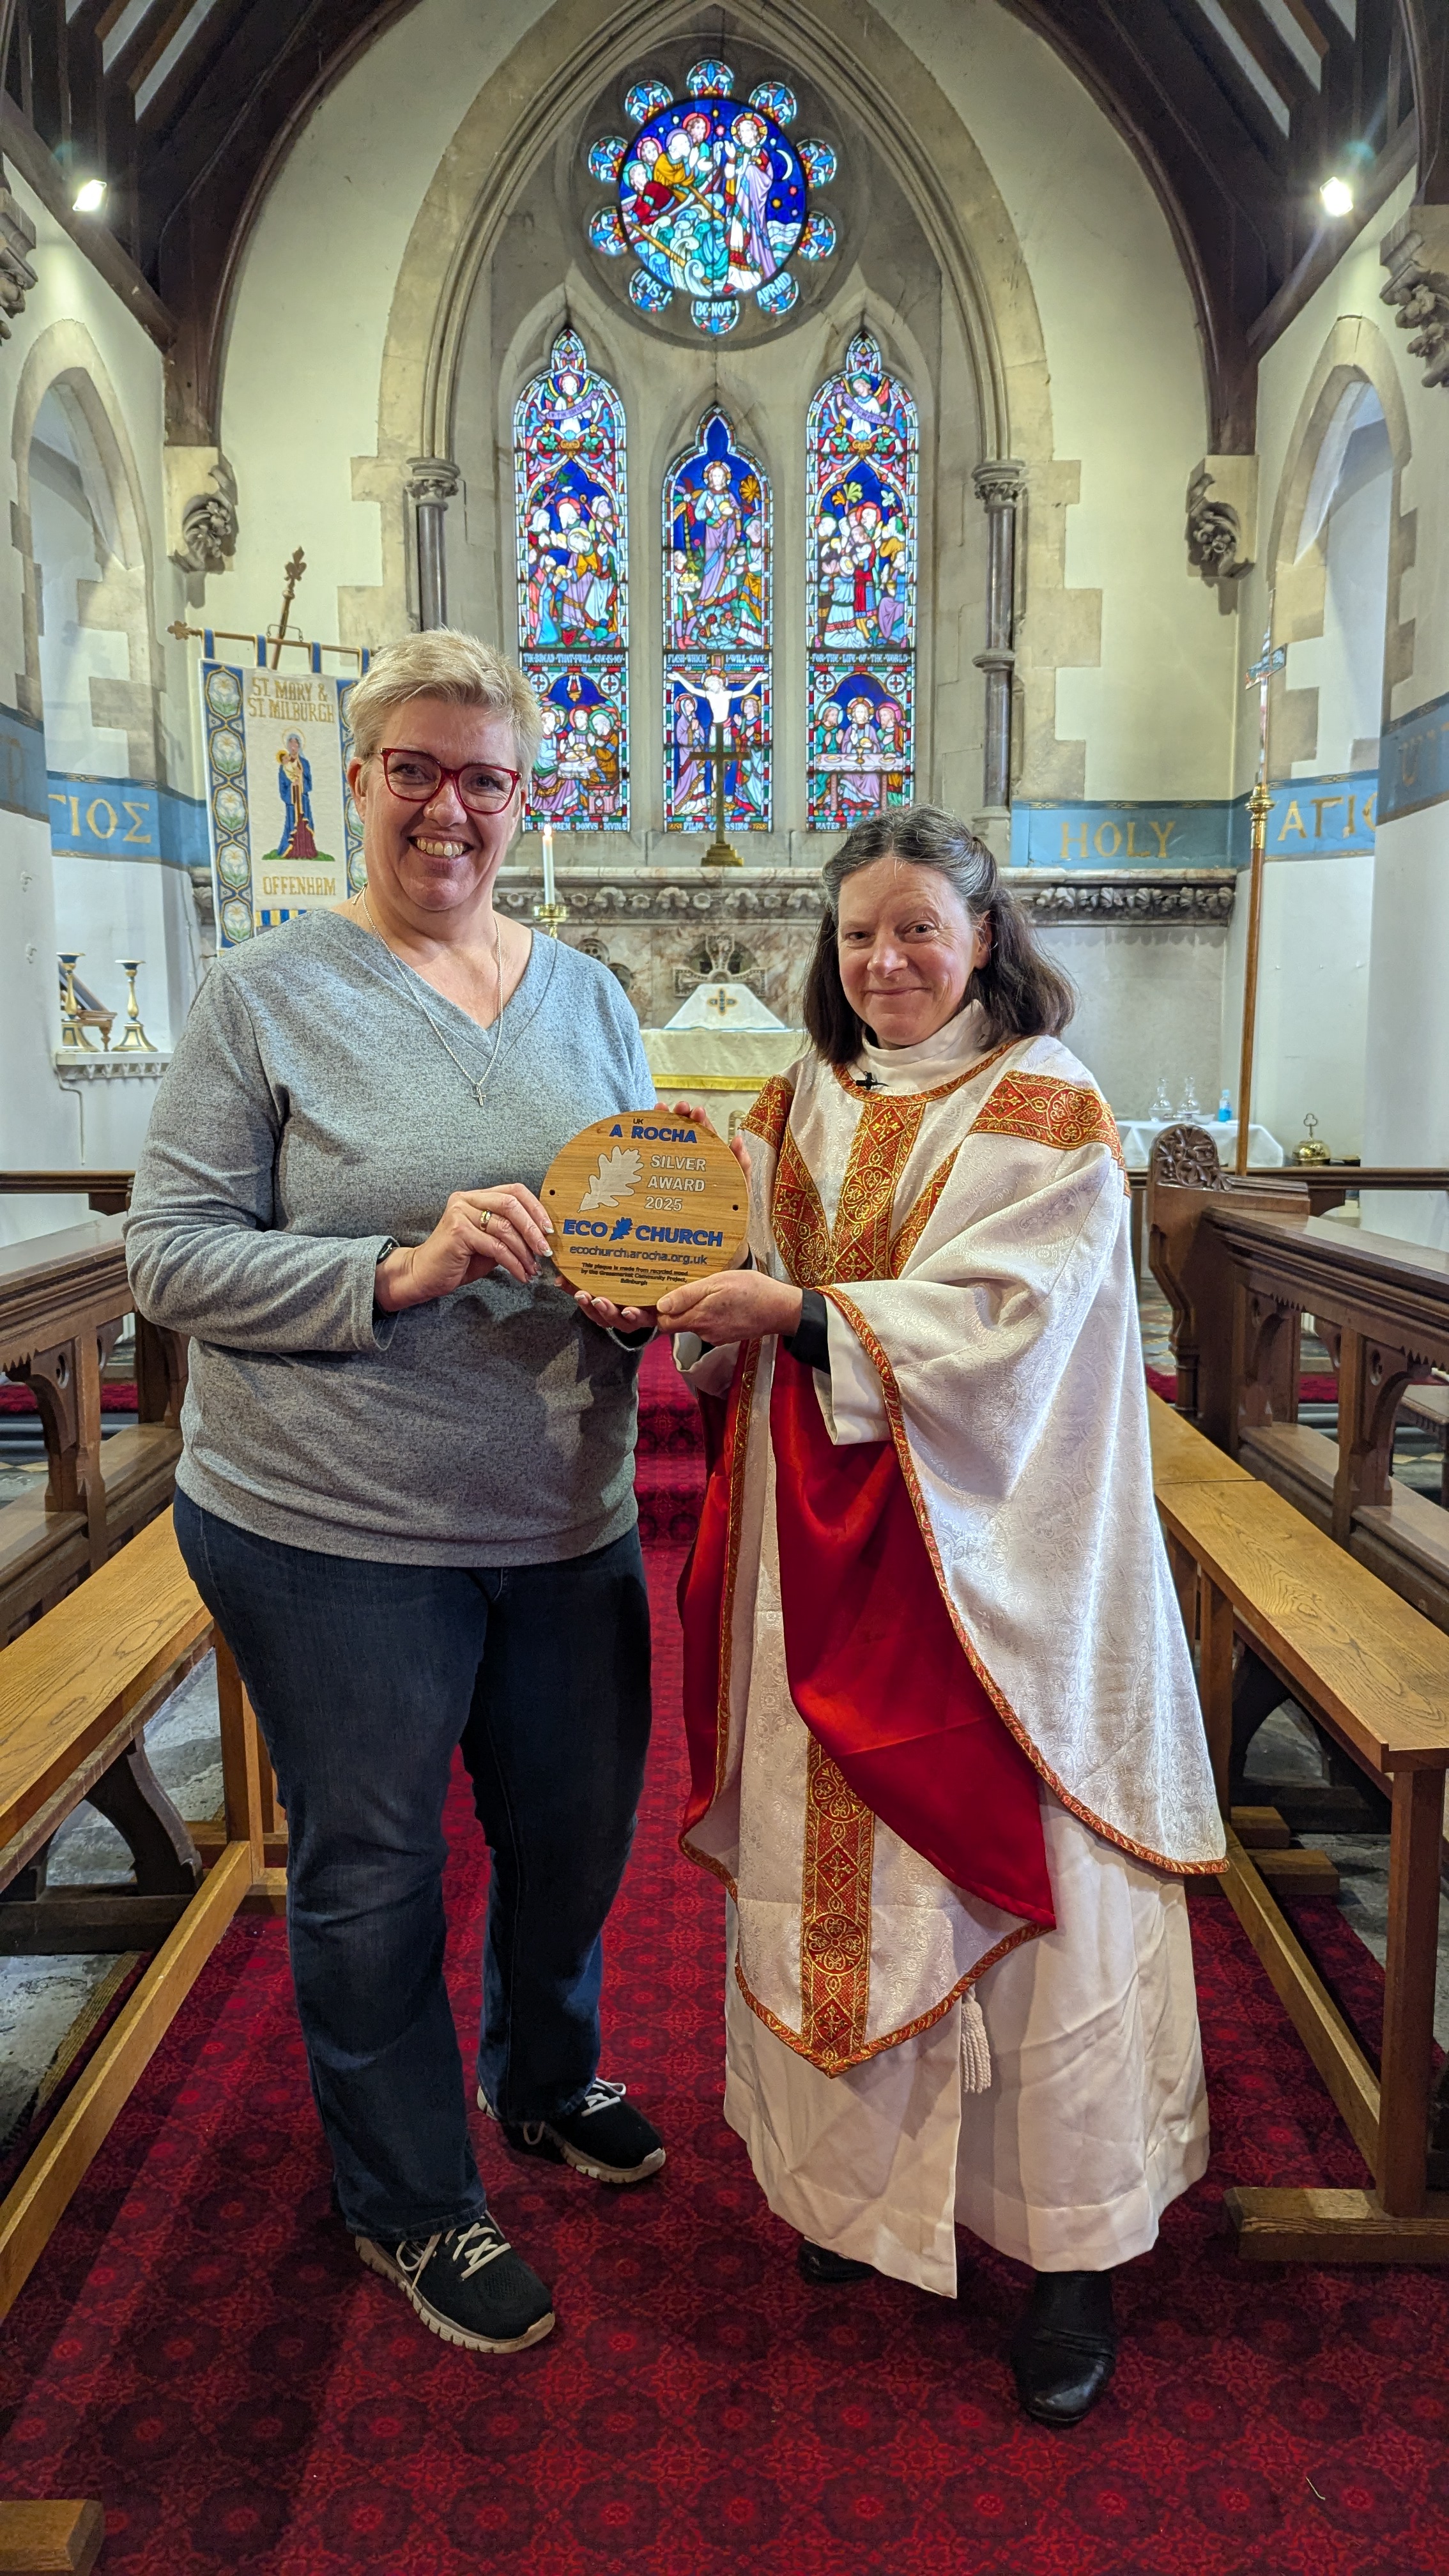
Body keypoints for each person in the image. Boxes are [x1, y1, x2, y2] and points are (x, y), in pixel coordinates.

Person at [126, 629, 665, 2363]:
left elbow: (648, 1205)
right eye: (415, 770)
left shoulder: (588, 996)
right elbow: (168, 1254)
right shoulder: (266, 994)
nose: (452, 807)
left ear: (527, 799)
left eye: (485, 777)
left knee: (574, 1836)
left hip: (562, 1511)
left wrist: (640, 1286)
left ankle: (545, 2071)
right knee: (373, 1866)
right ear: (354, 783)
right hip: (330, 1525)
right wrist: (398, 1269)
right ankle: (411, 2197)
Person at [654, 806, 1225, 2426]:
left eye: (918, 929)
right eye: (857, 938)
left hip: (1007, 1577)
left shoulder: (1051, 1103)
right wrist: (694, 1311)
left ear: (986, 936)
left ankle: (1067, 2254)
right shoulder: (797, 1098)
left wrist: (802, 1313)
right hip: (818, 1564)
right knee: (826, 1860)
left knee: (1040, 1891)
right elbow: (742, 1280)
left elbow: (1020, 1329)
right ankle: (852, 2194)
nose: (887, 962)